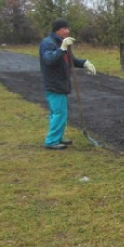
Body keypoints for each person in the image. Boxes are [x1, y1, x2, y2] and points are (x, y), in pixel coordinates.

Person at [39, 18, 97, 150]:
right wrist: (62, 48)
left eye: (67, 28)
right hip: (54, 84)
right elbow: (49, 60)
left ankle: (57, 138)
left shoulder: (62, 43)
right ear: (57, 30)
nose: (67, 31)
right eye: (64, 28)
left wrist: (84, 63)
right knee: (59, 113)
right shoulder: (48, 43)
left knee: (58, 113)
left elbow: (71, 60)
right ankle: (52, 141)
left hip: (61, 83)